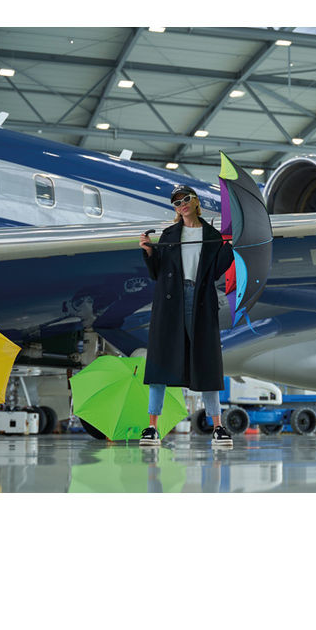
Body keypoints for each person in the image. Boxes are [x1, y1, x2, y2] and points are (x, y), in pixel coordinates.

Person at [138, 185, 235, 448]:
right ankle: (152, 428)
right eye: (176, 202)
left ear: (195, 202)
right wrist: (148, 251)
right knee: (159, 361)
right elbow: (157, 272)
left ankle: (218, 427)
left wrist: (227, 248)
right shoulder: (169, 234)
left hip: (200, 300)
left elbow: (216, 271)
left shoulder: (212, 236)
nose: (181, 204)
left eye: (185, 199)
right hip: (170, 300)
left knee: (207, 362)